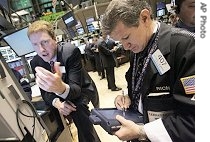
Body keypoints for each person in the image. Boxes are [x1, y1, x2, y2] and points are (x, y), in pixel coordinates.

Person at [101, 0, 195, 142]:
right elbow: (144, 84)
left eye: (126, 37)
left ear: (144, 17)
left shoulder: (185, 46)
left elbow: (196, 122)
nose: (125, 47)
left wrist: (142, 131)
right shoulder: (137, 47)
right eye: (120, 41)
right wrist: (129, 97)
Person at [28, 20, 100, 142]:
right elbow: (45, 93)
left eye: (44, 42)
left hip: (81, 89)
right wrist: (58, 104)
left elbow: (76, 89)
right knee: (50, 111)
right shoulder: (35, 62)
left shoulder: (70, 52)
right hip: (60, 96)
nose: (41, 49)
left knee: (78, 109)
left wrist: (59, 88)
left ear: (54, 39)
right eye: (35, 44)